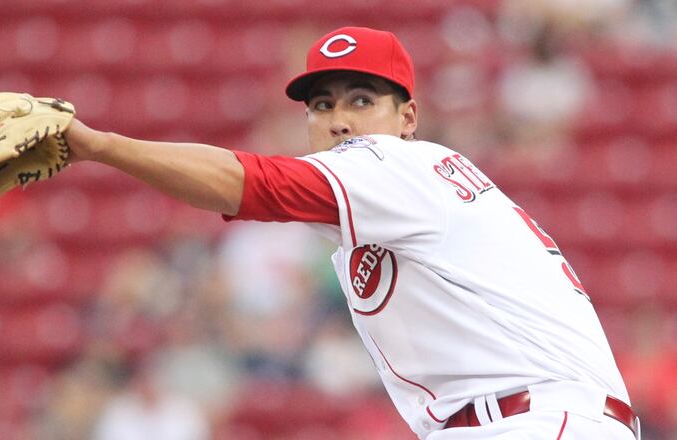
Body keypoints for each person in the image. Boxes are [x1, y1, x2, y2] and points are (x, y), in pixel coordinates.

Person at [63, 26, 638, 439]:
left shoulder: (397, 166)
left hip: (534, 421)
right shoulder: (398, 196)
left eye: (363, 100)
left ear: (406, 119)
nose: (339, 119)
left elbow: (250, 184)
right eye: (321, 104)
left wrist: (96, 145)